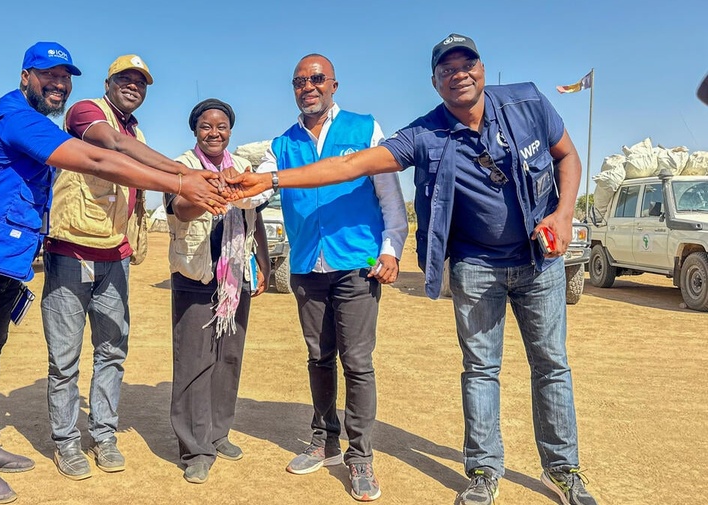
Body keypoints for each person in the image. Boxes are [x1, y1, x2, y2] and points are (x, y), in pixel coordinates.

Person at [229, 35, 599, 505]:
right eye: (447, 69)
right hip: (474, 265)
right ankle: (484, 472)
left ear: (482, 69)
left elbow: (567, 155)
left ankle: (561, 470)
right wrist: (269, 180)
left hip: (538, 261)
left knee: (551, 366)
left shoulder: (528, 102)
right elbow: (348, 166)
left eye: (467, 64)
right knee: (480, 371)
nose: (458, 73)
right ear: (434, 81)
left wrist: (563, 214)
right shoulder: (423, 135)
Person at [0, 42, 226, 504]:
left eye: (65, 76)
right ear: (26, 76)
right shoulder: (20, 119)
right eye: (48, 74)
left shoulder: (43, 122)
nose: (59, 83)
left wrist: (182, 175)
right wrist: (183, 181)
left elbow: (127, 154)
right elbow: (102, 157)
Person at [244, 54, 408, 502]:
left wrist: (392, 249)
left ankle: (360, 457)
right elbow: (253, 189)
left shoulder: (364, 128)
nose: (308, 86)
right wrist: (221, 184)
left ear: (334, 84)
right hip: (306, 267)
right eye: (300, 81)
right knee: (318, 357)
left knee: (357, 362)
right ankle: (325, 440)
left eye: (317, 79)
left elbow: (390, 197)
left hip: (357, 265)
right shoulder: (282, 144)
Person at [42, 54, 182, 481]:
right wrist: (181, 174)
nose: (133, 86)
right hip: (71, 251)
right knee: (64, 358)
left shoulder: (134, 129)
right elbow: (116, 150)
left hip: (114, 257)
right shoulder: (86, 112)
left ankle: (103, 435)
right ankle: (66, 441)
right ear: (109, 81)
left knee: (112, 351)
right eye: (126, 78)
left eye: (141, 82)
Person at [165, 98, 271, 484]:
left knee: (228, 359)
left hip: (235, 275)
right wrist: (208, 195)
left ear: (230, 131)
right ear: (195, 130)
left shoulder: (241, 169)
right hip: (196, 274)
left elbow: (252, 213)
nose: (214, 132)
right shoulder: (181, 166)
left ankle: (218, 432)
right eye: (206, 126)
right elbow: (179, 208)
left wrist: (262, 261)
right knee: (195, 362)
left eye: (221, 126)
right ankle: (195, 448)